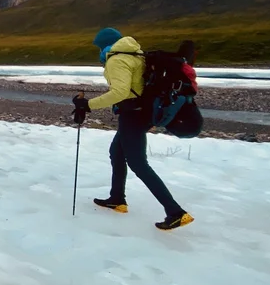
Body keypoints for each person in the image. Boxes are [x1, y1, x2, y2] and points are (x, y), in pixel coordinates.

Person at [72, 28, 194, 231]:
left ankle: (175, 212)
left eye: (99, 47)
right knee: (116, 153)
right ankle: (117, 198)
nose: (99, 51)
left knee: (138, 164)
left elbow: (120, 92)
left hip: (133, 114)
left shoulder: (116, 60)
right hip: (142, 112)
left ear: (106, 45)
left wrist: (88, 105)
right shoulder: (135, 54)